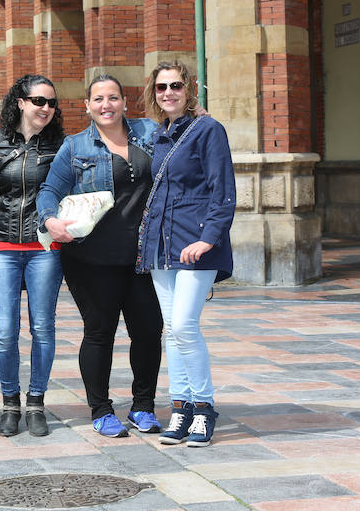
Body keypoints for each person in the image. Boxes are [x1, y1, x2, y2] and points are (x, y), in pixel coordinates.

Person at [37, 74, 163, 438]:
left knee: (148, 332)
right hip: (91, 259)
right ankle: (101, 409)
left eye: (112, 98)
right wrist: (49, 220)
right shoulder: (76, 147)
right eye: (98, 99)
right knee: (99, 333)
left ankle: (143, 407)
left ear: (125, 102)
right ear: (88, 106)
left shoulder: (150, 133)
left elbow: (184, 140)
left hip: (143, 257)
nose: (105, 105)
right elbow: (49, 190)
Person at [137, 61, 235, 447]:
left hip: (196, 246)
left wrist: (208, 239)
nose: (168, 93)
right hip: (162, 246)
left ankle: (204, 407)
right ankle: (181, 408)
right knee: (171, 332)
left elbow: (222, 189)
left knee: (184, 326)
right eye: (161, 88)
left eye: (175, 86)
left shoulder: (208, 129)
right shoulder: (158, 135)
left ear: (189, 89)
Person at [0, 75, 64, 438]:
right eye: (38, 101)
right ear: (20, 102)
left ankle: (36, 402)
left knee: (43, 328)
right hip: (2, 245)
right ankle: (10, 403)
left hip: (45, 247)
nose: (45, 108)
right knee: (4, 332)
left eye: (50, 102)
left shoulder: (62, 145)